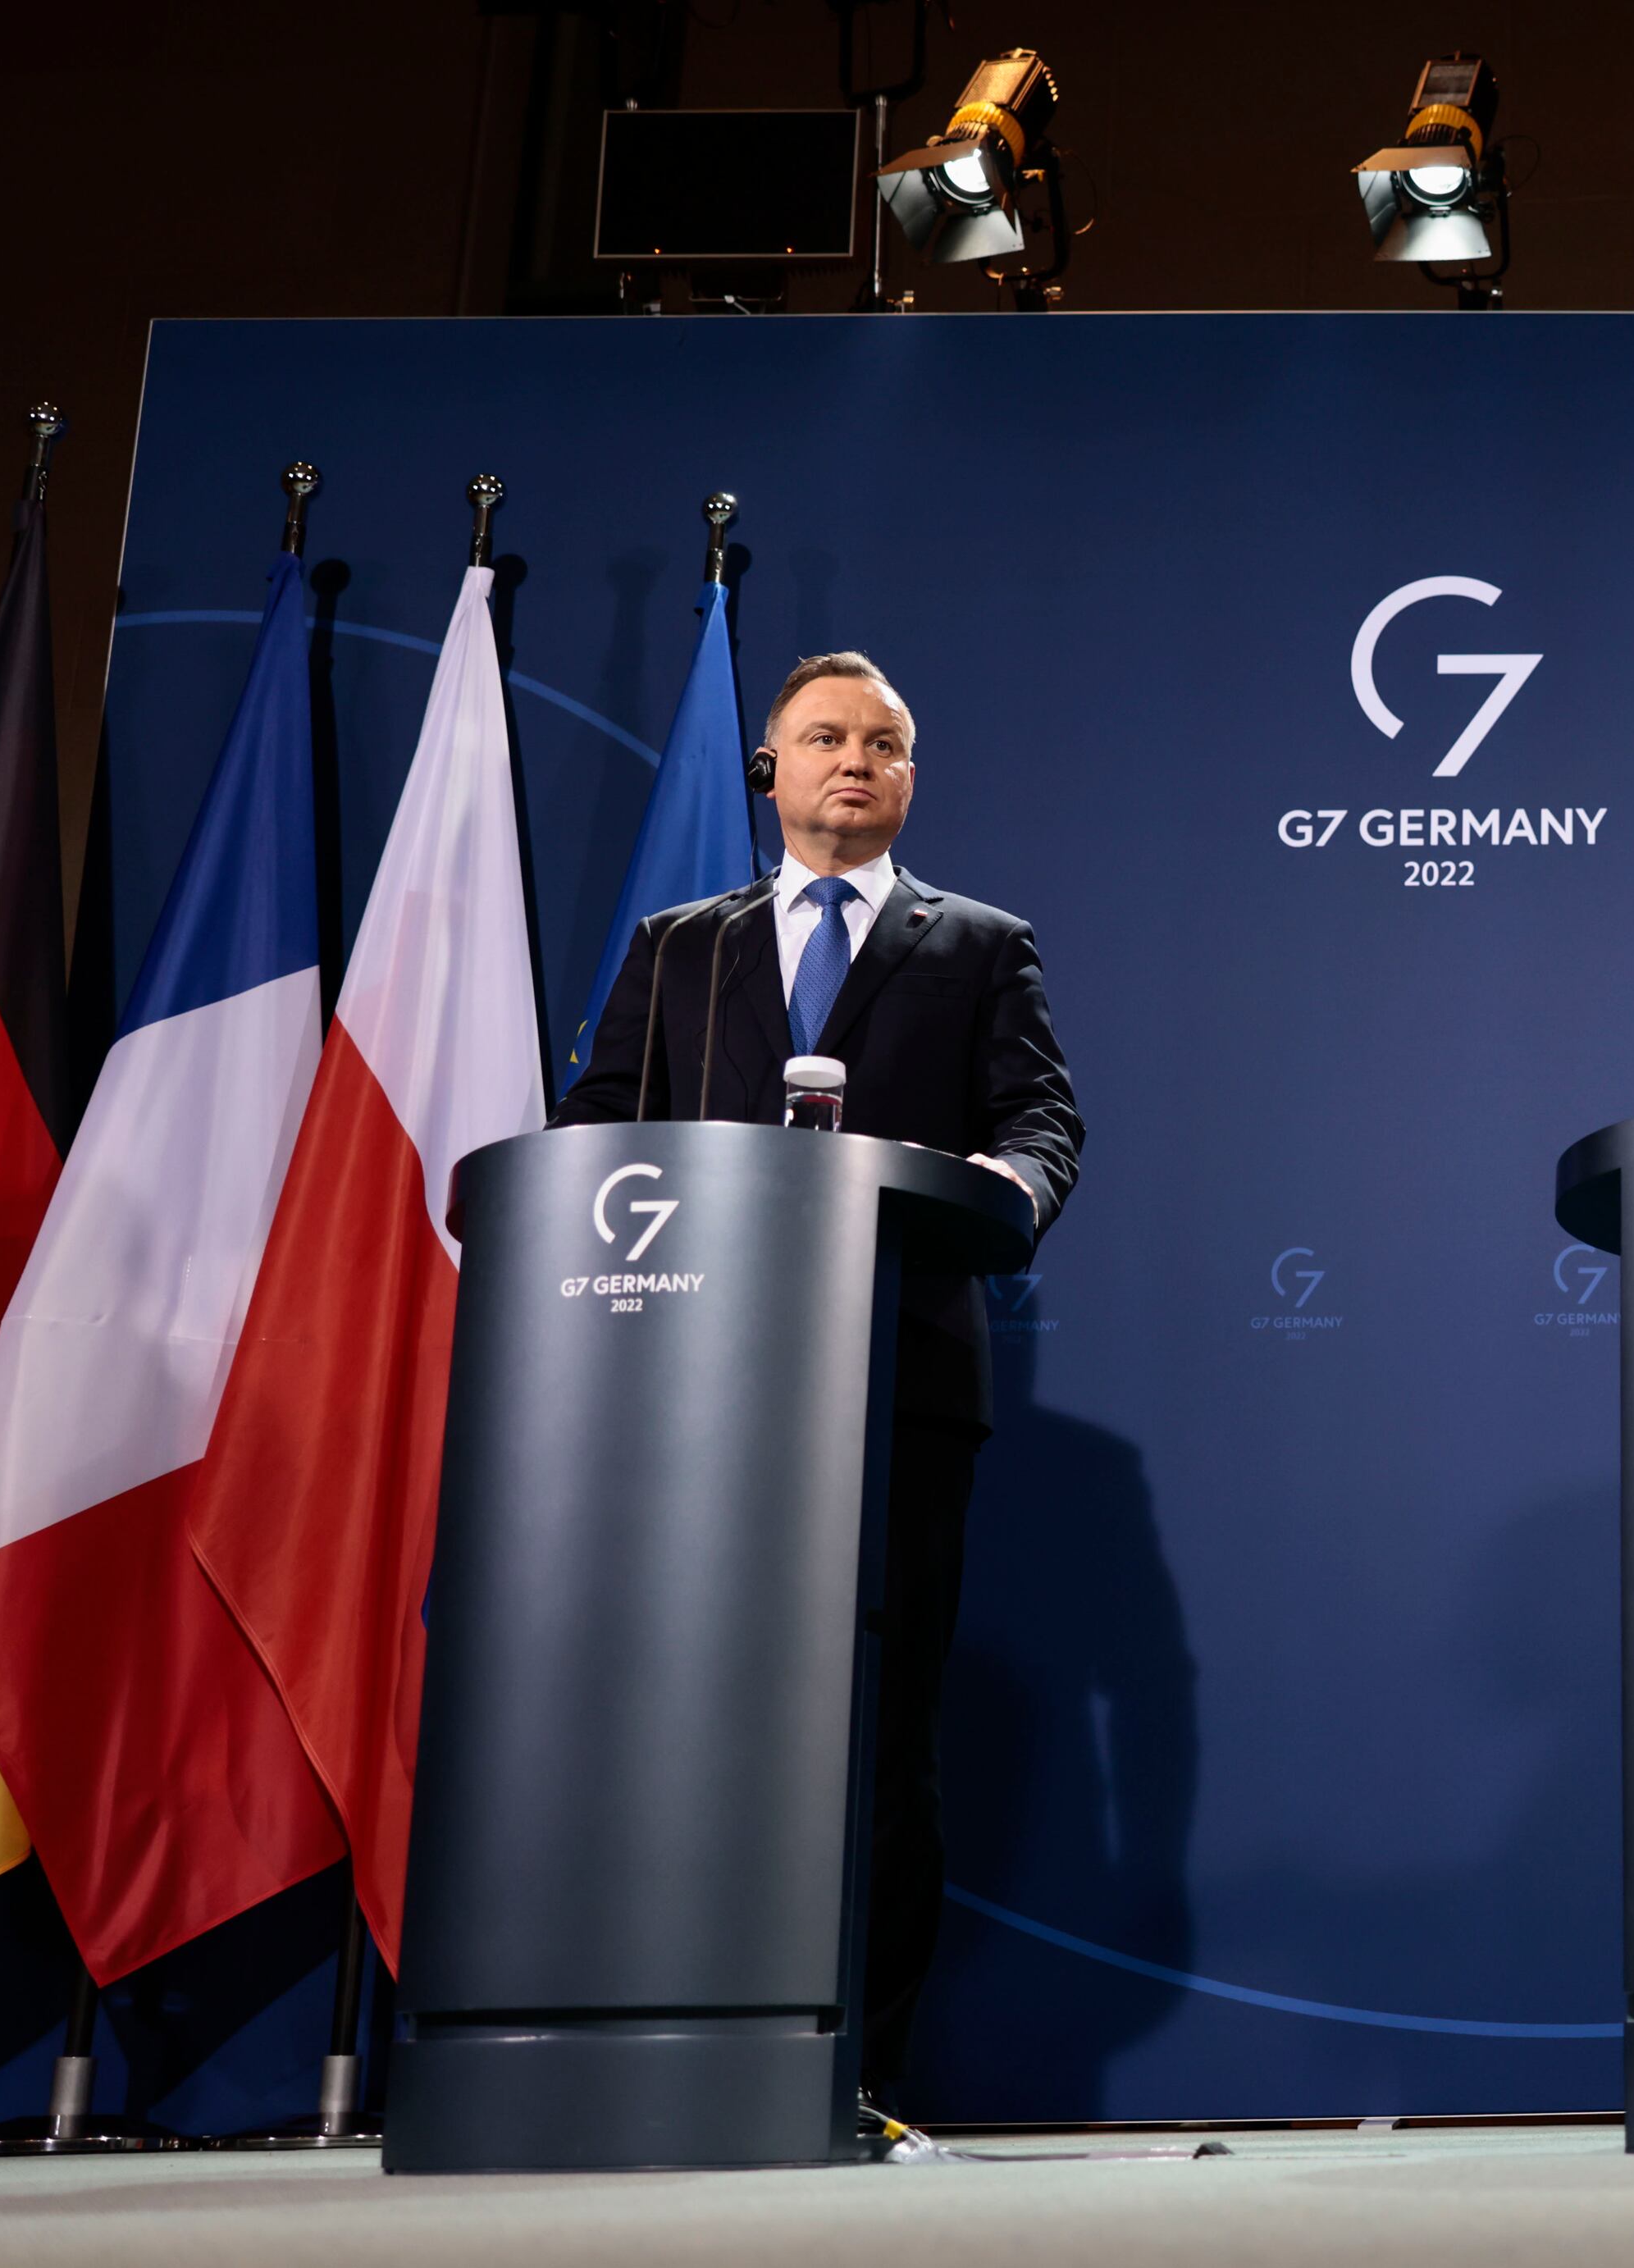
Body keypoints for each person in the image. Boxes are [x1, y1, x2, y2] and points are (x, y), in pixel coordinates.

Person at [553, 650, 1083, 2108]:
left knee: (880, 1736)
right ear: (770, 770)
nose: (857, 761)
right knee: (683, 1719)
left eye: (887, 743)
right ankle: (673, 2060)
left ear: (912, 777)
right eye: (827, 737)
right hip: (688, 1408)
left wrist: (1005, 1187)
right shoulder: (681, 947)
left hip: (899, 1387)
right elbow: (598, 1125)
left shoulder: (978, 944)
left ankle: (861, 2075)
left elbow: (1042, 1121)